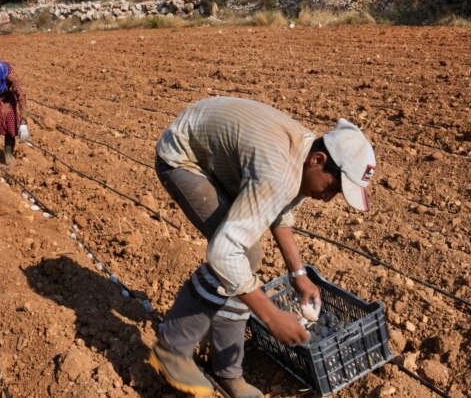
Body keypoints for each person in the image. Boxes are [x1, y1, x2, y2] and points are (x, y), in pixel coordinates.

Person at [148, 97, 376, 398]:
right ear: (319, 160)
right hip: (185, 157)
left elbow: (279, 210)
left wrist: (298, 273)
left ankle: (227, 372)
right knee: (238, 256)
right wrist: (270, 316)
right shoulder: (280, 169)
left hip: (220, 156)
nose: (329, 198)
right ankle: (172, 349)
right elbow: (223, 252)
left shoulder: (305, 154)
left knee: (244, 262)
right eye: (334, 188)